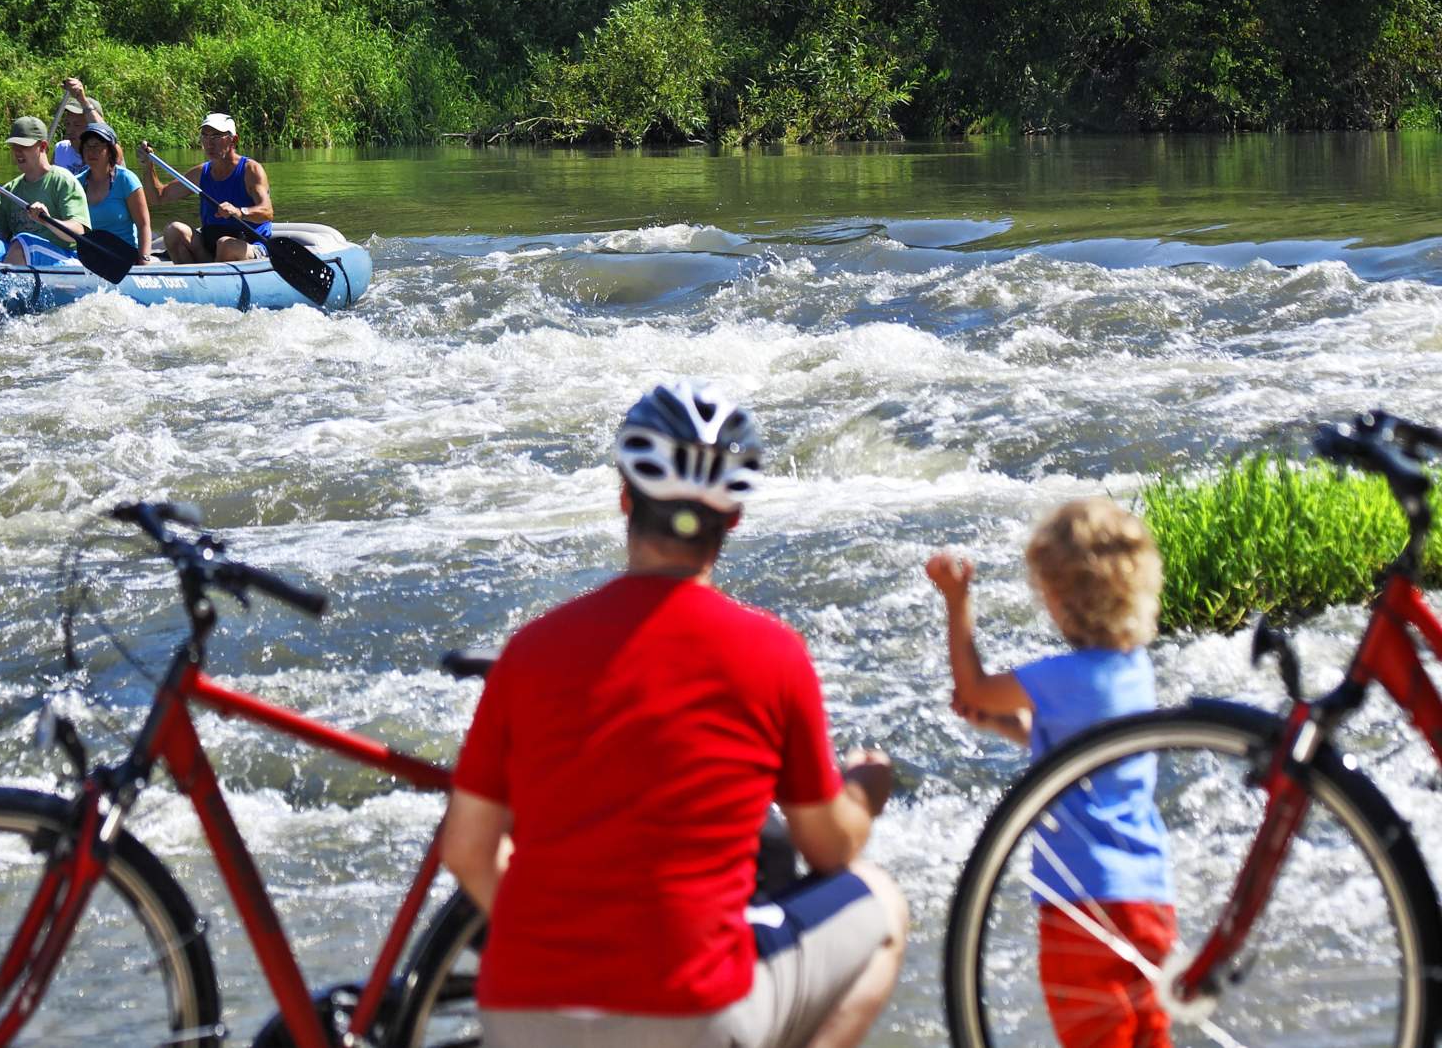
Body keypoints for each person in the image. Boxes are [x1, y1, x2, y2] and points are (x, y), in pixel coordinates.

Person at [441, 381, 907, 1048]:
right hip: (690, 1013)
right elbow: (828, 846)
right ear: (735, 518)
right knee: (880, 898)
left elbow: (466, 848)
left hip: (522, 1011)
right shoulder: (772, 654)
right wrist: (865, 789)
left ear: (625, 499)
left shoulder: (531, 650)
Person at [926, 497, 1173, 1048]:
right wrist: (1011, 727)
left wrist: (957, 600)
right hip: (1150, 898)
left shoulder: (1063, 675)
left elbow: (972, 687)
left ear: (1060, 599)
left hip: (1082, 906)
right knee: (1147, 1036)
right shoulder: (1134, 671)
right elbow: (1079, 753)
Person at [137, 112, 273, 264]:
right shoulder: (201, 173)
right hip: (211, 246)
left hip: (250, 244)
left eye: (216, 136)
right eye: (205, 136)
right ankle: (191, 281)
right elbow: (158, 197)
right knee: (173, 231)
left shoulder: (251, 170)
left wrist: (239, 212)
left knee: (225, 245)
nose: (209, 143)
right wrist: (148, 167)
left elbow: (267, 212)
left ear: (233, 140)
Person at [0, 116, 91, 268]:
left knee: (22, 243)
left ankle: (5, 288)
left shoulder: (63, 180)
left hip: (63, 258)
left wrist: (47, 221)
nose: (17, 152)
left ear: (42, 146)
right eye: (14, 146)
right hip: (20, 253)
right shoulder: (10, 189)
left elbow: (78, 232)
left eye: (24, 146)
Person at [75, 121, 152, 262]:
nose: (91, 151)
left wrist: (144, 261)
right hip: (92, 258)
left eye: (97, 146)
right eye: (87, 146)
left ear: (110, 151)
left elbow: (144, 225)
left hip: (125, 258)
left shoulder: (126, 180)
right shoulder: (76, 183)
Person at [52, 76, 104, 175]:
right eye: (68, 124)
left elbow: (104, 132)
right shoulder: (61, 149)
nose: (70, 130)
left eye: (77, 125)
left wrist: (82, 99)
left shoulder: (107, 154)